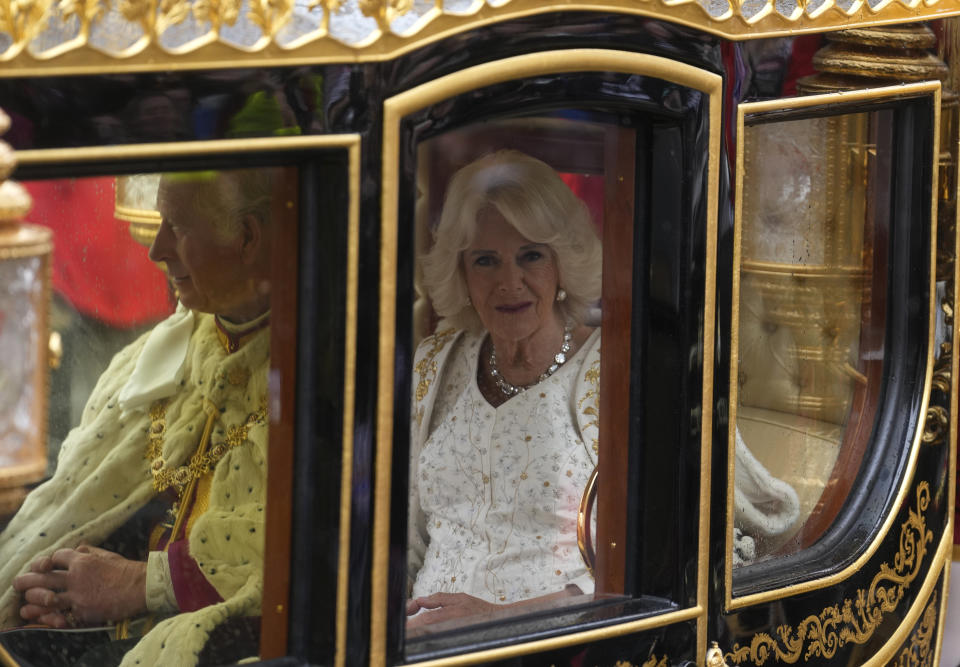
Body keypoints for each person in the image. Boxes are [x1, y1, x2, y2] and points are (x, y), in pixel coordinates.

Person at [0, 168, 277, 665]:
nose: (157, 249)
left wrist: (135, 586)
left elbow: (284, 565)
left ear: (249, 238)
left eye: (180, 228)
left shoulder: (310, 377)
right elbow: (80, 499)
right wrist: (62, 590)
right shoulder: (159, 352)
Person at [406, 150, 603, 629]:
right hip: (418, 644)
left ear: (561, 264)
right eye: (486, 261)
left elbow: (631, 576)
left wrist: (495, 618)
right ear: (462, 274)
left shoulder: (609, 370)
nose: (509, 282)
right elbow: (406, 539)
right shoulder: (434, 363)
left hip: (553, 649)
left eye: (530, 256)